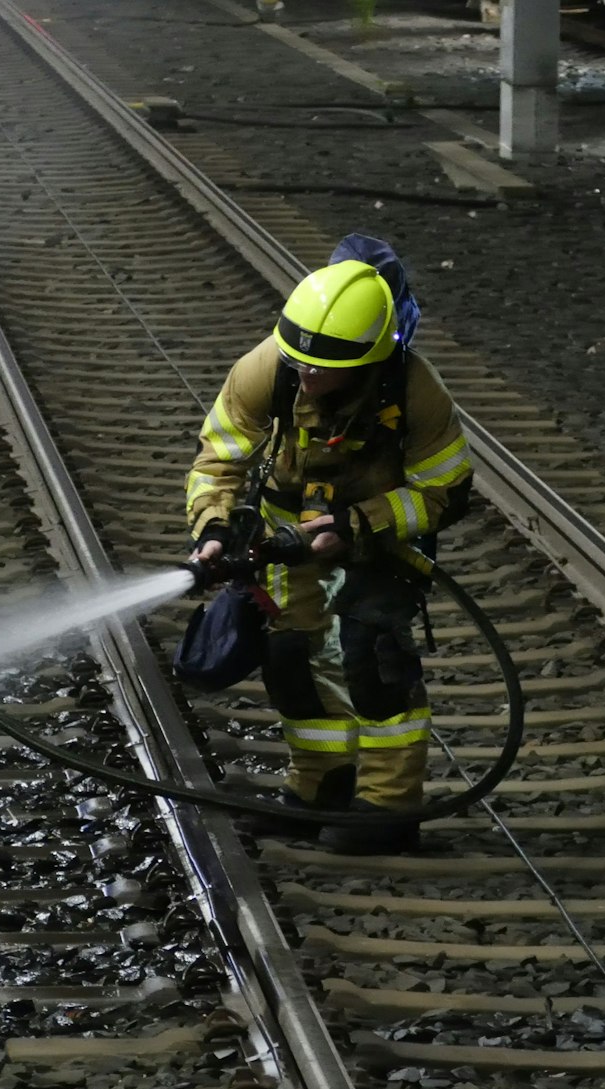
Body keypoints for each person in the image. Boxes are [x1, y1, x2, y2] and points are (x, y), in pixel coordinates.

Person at [185, 244, 472, 855]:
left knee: (373, 662)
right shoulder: (269, 367)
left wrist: (360, 525)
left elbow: (443, 492)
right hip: (285, 541)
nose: (308, 376)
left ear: (370, 360)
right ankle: (320, 788)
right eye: (301, 364)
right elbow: (219, 461)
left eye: (326, 368)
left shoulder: (415, 392)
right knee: (290, 658)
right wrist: (213, 531)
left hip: (379, 539)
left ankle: (389, 810)